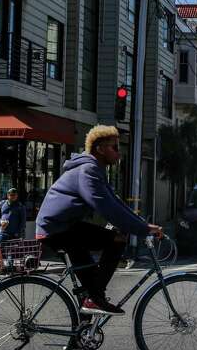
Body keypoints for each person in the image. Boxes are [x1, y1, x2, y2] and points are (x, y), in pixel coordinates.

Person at [35, 125, 164, 320]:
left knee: (90, 286)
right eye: (115, 148)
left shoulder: (95, 169)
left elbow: (116, 203)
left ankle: (82, 337)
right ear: (100, 149)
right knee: (117, 239)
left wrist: (142, 225)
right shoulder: (88, 170)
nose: (119, 154)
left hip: (64, 227)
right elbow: (106, 207)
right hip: (57, 229)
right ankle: (94, 299)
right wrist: (143, 229)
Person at [0, 188, 27, 274]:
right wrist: (0, 221)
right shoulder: (2, 203)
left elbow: (23, 222)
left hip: (14, 233)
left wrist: (18, 233)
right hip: (3, 231)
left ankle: (10, 268)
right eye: (11, 195)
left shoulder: (20, 206)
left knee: (11, 251)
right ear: (8, 195)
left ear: (16, 196)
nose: (12, 197)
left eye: (14, 195)